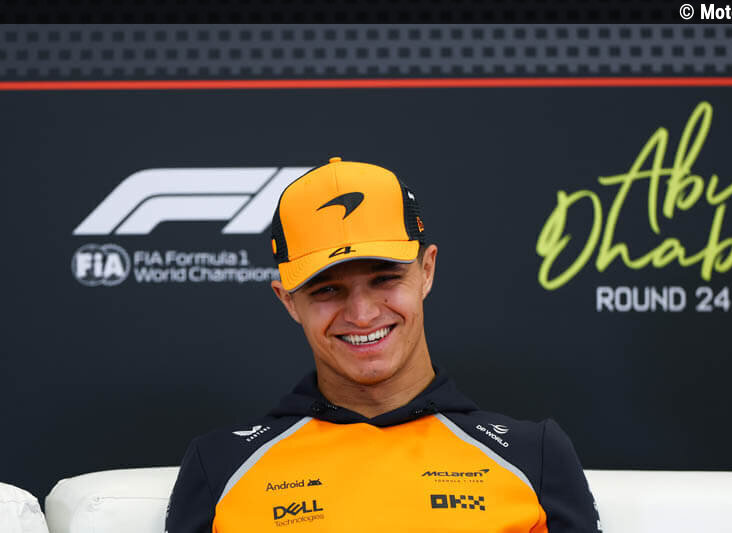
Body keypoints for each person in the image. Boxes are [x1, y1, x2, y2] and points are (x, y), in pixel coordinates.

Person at [165, 157, 601, 532]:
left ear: (426, 271)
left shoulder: (533, 455)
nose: (362, 314)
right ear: (288, 301)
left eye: (385, 279)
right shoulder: (221, 464)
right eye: (327, 289)